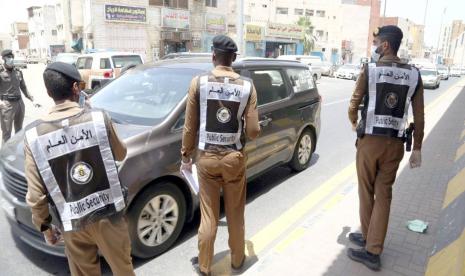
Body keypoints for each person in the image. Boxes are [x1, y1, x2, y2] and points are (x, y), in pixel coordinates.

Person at [24, 62, 135, 276]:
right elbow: (121, 154)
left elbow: (36, 196)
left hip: (72, 224)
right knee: (123, 270)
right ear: (76, 88)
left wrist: (45, 227)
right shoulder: (98, 118)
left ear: (49, 92)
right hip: (108, 216)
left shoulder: (33, 136)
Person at [180, 35, 261, 276]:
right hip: (234, 159)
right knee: (236, 213)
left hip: (206, 160)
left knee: (209, 216)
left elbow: (189, 127)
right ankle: (237, 260)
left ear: (213, 56)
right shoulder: (247, 86)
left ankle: (204, 266)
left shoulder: (199, 83)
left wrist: (186, 156)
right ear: (234, 59)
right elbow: (254, 132)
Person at [346, 25, 424, 271]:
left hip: (370, 143)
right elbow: (419, 116)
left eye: (377, 41)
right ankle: (372, 244)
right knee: (384, 195)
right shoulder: (414, 74)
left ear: (386, 45)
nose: (375, 46)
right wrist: (418, 147)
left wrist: (353, 122)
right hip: (395, 145)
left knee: (366, 192)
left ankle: (370, 244)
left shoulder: (370, 69)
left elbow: (353, 104)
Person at [0, 49, 36, 143]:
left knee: (19, 131)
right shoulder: (0, 72)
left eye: (12, 57)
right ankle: (5, 156)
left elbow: (23, 87)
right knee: (7, 133)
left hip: (20, 103)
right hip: (7, 105)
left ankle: (17, 153)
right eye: (8, 57)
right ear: (3, 59)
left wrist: (32, 99)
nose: (11, 59)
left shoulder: (18, 71)